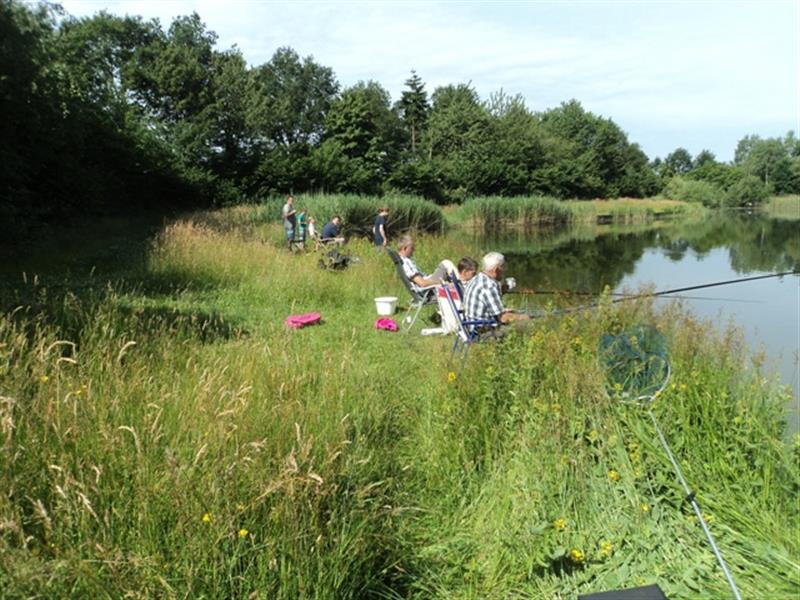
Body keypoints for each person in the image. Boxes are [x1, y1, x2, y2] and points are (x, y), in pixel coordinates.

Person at [463, 252, 529, 327]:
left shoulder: (477, 278)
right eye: (503, 267)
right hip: (482, 329)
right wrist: (522, 317)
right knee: (525, 324)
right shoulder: (489, 286)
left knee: (516, 314)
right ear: (496, 270)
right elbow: (503, 318)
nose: (505, 269)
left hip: (472, 325)